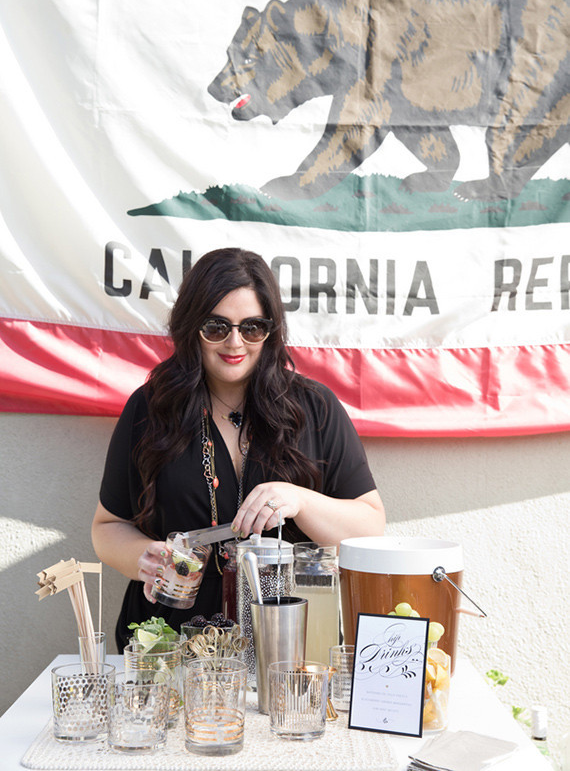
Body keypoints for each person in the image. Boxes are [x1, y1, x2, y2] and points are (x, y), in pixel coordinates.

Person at [92, 247, 385, 648]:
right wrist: (144, 558)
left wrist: (297, 499)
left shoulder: (314, 407)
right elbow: (108, 527)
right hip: (171, 641)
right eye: (216, 327)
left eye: (252, 327)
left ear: (271, 330)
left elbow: (369, 528)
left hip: (290, 640)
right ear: (191, 326)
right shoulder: (151, 407)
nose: (235, 343)